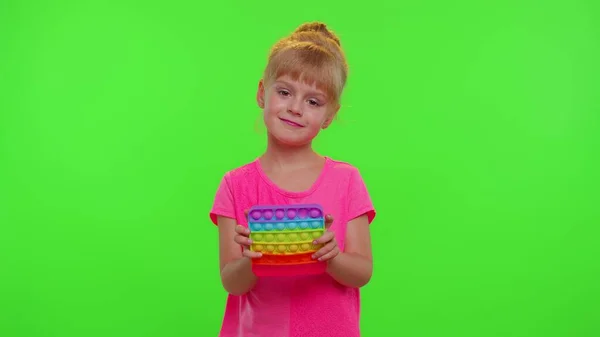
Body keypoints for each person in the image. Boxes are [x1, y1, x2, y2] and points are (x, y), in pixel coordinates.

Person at [209, 21, 376, 337]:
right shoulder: (235, 184)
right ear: (262, 93)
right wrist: (250, 259)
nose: (295, 109)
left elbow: (362, 272)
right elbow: (232, 282)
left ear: (329, 115)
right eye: (284, 92)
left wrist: (333, 258)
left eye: (313, 101)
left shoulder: (347, 180)